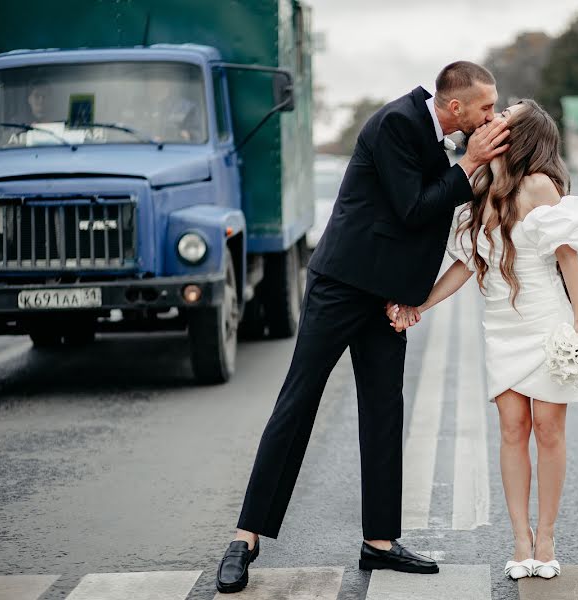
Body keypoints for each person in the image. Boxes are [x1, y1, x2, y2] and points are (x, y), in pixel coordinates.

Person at [215, 61, 510, 594]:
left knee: (383, 411)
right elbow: (414, 209)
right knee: (297, 402)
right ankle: (245, 538)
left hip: (386, 295)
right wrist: (468, 164)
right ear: (455, 108)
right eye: (485, 107)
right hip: (342, 285)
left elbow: (427, 217)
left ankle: (379, 543)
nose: (490, 116)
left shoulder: (440, 132)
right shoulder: (396, 123)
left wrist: (411, 294)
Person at [388, 99, 578, 581]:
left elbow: (568, 258)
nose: (496, 115)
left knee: (548, 430)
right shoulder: (479, 188)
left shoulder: (541, 186)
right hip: (501, 326)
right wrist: (420, 304)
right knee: (511, 430)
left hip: (546, 319)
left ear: (522, 134)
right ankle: (520, 541)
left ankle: (546, 539)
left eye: (509, 112)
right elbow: (466, 263)